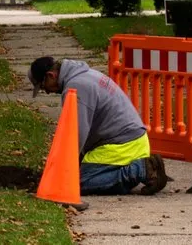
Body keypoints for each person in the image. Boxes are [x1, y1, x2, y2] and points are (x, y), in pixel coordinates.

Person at [28, 56, 168, 195]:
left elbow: (76, 134)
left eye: (42, 86)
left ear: (51, 75)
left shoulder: (76, 87)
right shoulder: (86, 74)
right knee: (74, 176)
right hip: (132, 140)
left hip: (123, 145)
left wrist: (60, 172)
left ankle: (140, 170)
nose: (46, 92)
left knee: (75, 183)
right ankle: (137, 169)